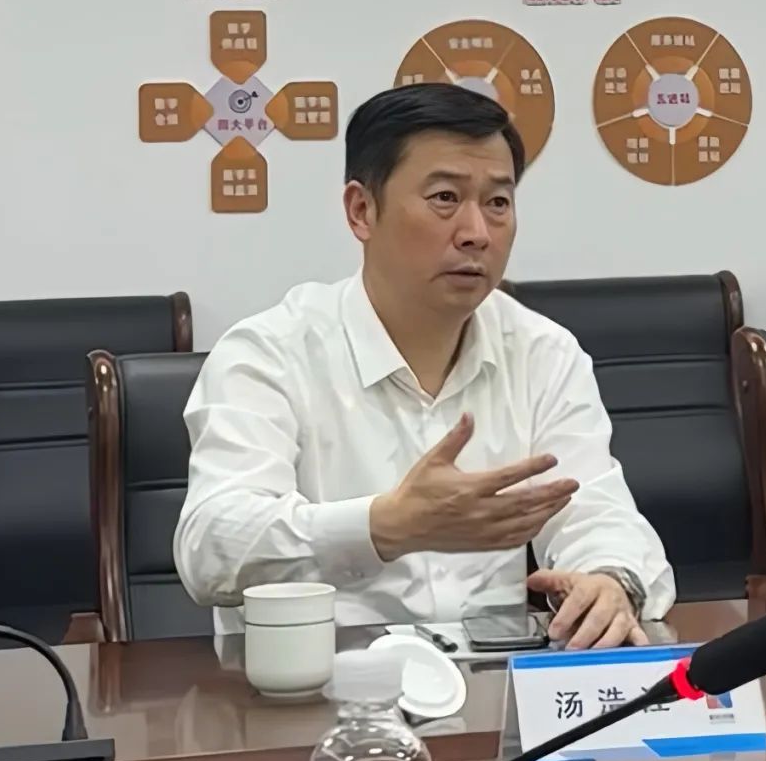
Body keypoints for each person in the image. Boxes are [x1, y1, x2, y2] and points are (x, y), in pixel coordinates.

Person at [174, 83, 676, 648]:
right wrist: (384, 526)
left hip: (495, 682)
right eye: (444, 198)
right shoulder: (269, 353)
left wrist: (610, 580)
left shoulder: (543, 353)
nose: (476, 233)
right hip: (316, 680)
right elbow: (211, 549)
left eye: (498, 203)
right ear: (362, 210)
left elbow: (597, 512)